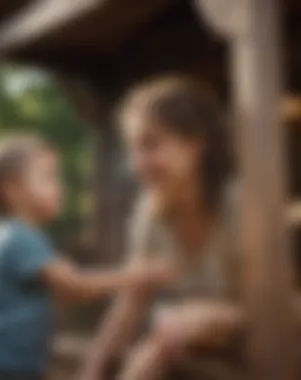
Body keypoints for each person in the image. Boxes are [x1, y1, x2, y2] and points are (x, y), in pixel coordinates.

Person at [0, 134, 175, 380]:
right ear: (11, 189)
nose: (59, 186)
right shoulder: (18, 238)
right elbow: (76, 284)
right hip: (3, 368)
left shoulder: (20, 236)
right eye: (48, 177)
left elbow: (71, 294)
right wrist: (141, 275)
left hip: (16, 365)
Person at [80, 77, 244, 380]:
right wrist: (91, 371)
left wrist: (222, 317)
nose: (136, 164)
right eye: (132, 149)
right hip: (189, 359)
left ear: (195, 146)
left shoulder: (243, 206)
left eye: (150, 144)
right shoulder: (151, 214)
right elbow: (130, 302)